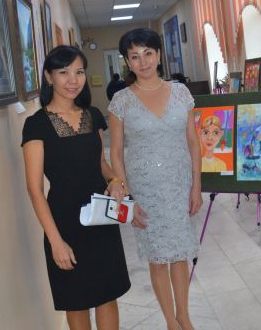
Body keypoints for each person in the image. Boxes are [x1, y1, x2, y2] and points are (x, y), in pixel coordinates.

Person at [21, 46, 130, 330]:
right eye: (64, 72)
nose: (73, 80)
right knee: (76, 300)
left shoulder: (93, 115)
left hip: (100, 217)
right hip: (65, 222)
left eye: (79, 72)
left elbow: (101, 164)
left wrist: (115, 182)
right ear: (49, 77)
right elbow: (34, 189)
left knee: (107, 295)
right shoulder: (36, 124)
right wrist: (55, 241)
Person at [108, 28, 202, 330]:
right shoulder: (121, 101)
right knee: (158, 257)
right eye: (134, 56)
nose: (143, 61)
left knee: (180, 253)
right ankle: (170, 321)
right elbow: (116, 153)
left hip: (178, 185)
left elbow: (193, 142)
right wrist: (128, 198)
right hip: (145, 190)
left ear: (159, 55)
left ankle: (184, 316)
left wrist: (197, 186)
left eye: (148, 53)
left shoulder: (181, 93)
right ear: (127, 62)